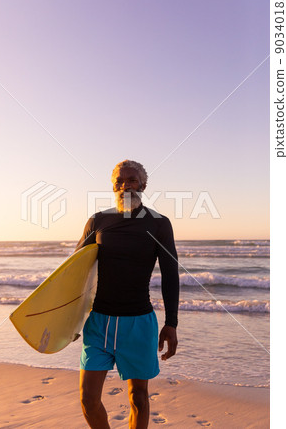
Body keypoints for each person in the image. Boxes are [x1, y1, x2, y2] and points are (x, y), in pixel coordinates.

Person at [75, 159, 179, 429]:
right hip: (99, 322)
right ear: (113, 187)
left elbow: (170, 274)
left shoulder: (159, 224)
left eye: (132, 180)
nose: (125, 185)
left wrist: (172, 323)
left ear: (143, 185)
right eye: (119, 181)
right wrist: (69, 320)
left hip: (138, 323)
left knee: (139, 398)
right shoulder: (98, 221)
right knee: (88, 399)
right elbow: (75, 272)